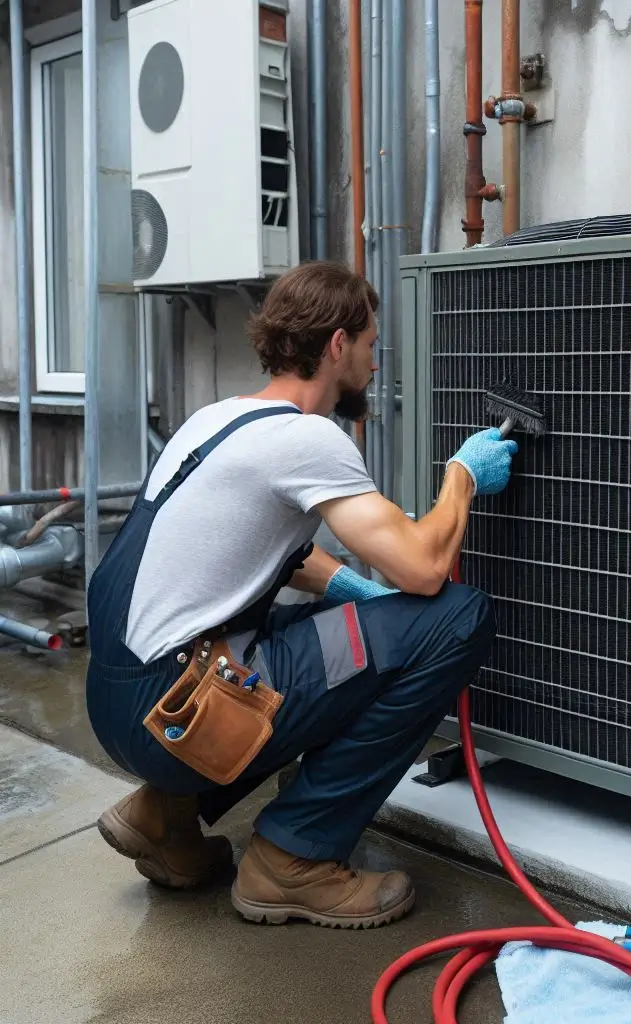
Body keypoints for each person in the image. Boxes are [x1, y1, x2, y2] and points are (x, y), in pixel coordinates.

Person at [85, 260, 518, 930]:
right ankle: (294, 858)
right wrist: (461, 477)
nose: (376, 365)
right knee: (457, 619)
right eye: (372, 346)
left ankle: (165, 818)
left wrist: (360, 597)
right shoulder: (307, 437)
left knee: (338, 624)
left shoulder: (218, 420)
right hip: (172, 716)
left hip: (121, 701)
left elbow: (290, 556)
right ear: (338, 344)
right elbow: (427, 571)